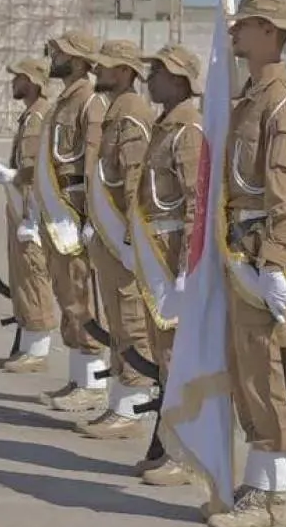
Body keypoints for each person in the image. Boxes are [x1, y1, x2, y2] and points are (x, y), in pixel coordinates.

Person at [207, 0, 286, 527]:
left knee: (267, 373)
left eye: (245, 25)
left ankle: (273, 499)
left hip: (259, 257)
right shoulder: (251, 96)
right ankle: (257, 485)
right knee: (247, 370)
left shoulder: (284, 103)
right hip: (239, 251)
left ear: (271, 33)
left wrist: (273, 264)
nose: (234, 33)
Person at [128, 44, 204, 485]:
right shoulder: (167, 124)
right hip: (156, 252)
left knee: (178, 359)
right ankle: (167, 447)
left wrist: (187, 267)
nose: (149, 78)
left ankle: (184, 454)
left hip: (172, 255)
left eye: (157, 71)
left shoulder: (187, 129)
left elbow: (195, 202)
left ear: (178, 79)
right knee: (165, 358)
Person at [78, 39, 156, 440]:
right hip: (109, 236)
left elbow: (134, 181)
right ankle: (120, 401)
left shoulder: (132, 115)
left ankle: (132, 406)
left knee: (131, 319)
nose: (97, 70)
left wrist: (129, 237)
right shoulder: (116, 111)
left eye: (106, 66)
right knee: (117, 319)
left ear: (125, 72)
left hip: (124, 239)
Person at [32, 31, 110, 412]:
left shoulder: (90, 104)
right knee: (68, 296)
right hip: (57, 211)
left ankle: (93, 384)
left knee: (83, 296)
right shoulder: (63, 102)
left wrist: (92, 218)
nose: (53, 58)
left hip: (75, 213)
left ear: (78, 61)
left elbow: (92, 165)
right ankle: (79, 379)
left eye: (60, 53)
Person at [0, 57, 59, 373]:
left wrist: (8, 176)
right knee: (23, 277)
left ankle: (37, 351)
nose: (13, 82)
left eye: (19, 77)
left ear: (32, 82)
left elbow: (32, 170)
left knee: (34, 276)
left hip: (31, 211)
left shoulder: (37, 118)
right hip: (22, 207)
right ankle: (27, 347)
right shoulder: (31, 115)